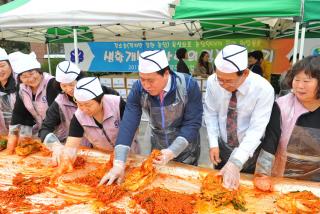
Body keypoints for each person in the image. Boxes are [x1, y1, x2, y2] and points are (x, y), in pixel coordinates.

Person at [99, 49, 203, 185]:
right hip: (158, 145)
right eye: (142, 79)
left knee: (185, 184)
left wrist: (173, 151)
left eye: (151, 80)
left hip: (186, 146)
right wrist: (119, 163)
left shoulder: (188, 85)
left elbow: (192, 123)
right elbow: (128, 123)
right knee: (159, 183)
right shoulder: (138, 89)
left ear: (166, 74)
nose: (146, 85)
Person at [204, 44, 274, 190]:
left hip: (248, 150)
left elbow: (257, 129)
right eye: (219, 78)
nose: (222, 84)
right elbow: (210, 113)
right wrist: (213, 143)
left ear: (245, 73)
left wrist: (236, 161)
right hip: (223, 145)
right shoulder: (212, 82)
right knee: (218, 188)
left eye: (228, 81)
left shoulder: (263, 89)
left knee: (244, 189)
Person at [254, 56, 320, 191]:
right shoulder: (282, 105)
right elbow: (270, 140)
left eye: (306, 81)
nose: (300, 86)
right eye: (297, 80)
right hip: (282, 178)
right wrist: (262, 174)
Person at [50, 77, 137, 166]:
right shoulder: (78, 117)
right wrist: (65, 158)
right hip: (103, 158)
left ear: (101, 99)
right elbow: (71, 147)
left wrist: (120, 158)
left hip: (129, 155)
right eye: (79, 104)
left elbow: (132, 128)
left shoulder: (117, 104)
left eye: (88, 105)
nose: (84, 109)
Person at [39, 61, 120, 146]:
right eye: (64, 86)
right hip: (81, 149)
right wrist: (54, 145)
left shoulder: (104, 93)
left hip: (113, 145)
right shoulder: (60, 102)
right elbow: (45, 128)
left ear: (80, 80)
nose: (68, 89)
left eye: (71, 85)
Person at [5, 51, 60, 154]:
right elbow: (19, 114)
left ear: (39, 71)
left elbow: (56, 115)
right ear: (19, 79)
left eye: (31, 73)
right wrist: (13, 139)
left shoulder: (52, 84)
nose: (30, 79)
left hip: (62, 132)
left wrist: (46, 134)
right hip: (43, 132)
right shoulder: (22, 89)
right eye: (24, 76)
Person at [0, 47, 16, 135]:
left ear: (10, 65)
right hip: (3, 136)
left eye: (2, 65)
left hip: (27, 134)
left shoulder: (22, 84)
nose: (0, 70)